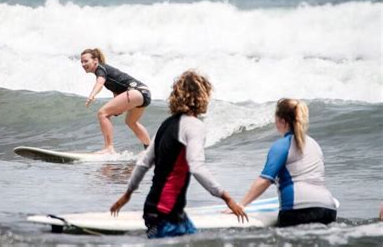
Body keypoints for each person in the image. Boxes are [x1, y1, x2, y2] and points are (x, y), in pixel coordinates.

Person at [110, 70, 248, 238]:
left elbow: (144, 161)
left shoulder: (166, 124)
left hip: (155, 208)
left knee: (193, 237)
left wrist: (128, 194)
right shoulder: (194, 126)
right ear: (203, 95)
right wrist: (227, 198)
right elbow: (197, 167)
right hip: (166, 212)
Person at [239, 98, 337, 227]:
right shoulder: (315, 144)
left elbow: (265, 180)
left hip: (299, 210)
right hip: (329, 208)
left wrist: (240, 206)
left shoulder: (282, 145)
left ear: (282, 121)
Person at [80, 48, 151, 153]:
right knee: (131, 122)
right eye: (81, 61)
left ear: (95, 60)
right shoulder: (105, 70)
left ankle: (109, 148)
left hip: (136, 91)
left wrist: (92, 95)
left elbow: (99, 82)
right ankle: (150, 150)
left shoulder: (100, 68)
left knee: (102, 114)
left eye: (86, 61)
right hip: (145, 93)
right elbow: (117, 90)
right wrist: (118, 108)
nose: (83, 64)